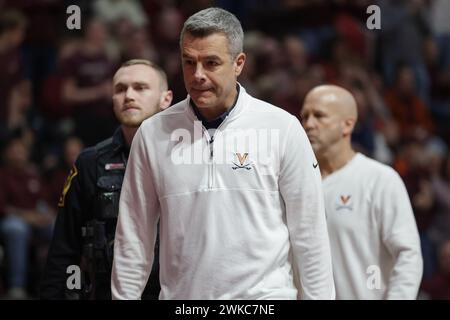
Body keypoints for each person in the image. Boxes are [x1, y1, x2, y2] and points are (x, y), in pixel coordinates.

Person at [111, 8, 335, 300]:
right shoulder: (152, 134)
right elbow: (133, 236)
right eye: (189, 62)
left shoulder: (283, 128)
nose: (198, 75)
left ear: (239, 63)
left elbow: (310, 233)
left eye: (211, 63)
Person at [40, 59, 173, 299]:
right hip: (108, 291)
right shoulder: (90, 163)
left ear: (166, 99)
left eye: (140, 88)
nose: (129, 96)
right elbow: (64, 248)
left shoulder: (187, 159)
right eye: (120, 89)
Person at [300, 84, 423, 299]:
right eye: (305, 116)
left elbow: (408, 255)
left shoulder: (379, 180)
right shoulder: (295, 183)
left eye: (319, 116)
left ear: (347, 125)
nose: (309, 124)